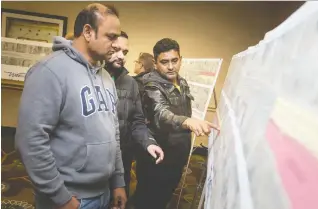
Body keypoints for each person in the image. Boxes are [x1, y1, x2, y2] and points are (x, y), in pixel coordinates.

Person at [15, 3, 127, 209]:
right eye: (111, 36)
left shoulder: (106, 77)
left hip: (104, 192)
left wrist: (117, 181)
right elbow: (30, 141)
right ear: (87, 31)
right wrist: (61, 197)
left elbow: (114, 134)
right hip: (69, 198)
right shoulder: (49, 71)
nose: (115, 44)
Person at [133, 38, 220, 209]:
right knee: (148, 199)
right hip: (158, 156)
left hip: (177, 153)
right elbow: (161, 113)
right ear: (156, 63)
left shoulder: (182, 82)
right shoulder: (151, 85)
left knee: (165, 194)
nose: (171, 66)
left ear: (181, 59)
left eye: (175, 60)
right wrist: (187, 121)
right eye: (164, 62)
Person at [104, 31, 164, 199]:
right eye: (115, 50)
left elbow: (137, 120)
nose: (121, 56)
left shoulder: (130, 83)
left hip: (122, 156)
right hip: (93, 162)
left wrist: (148, 143)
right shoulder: (89, 78)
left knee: (118, 201)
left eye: (125, 52)